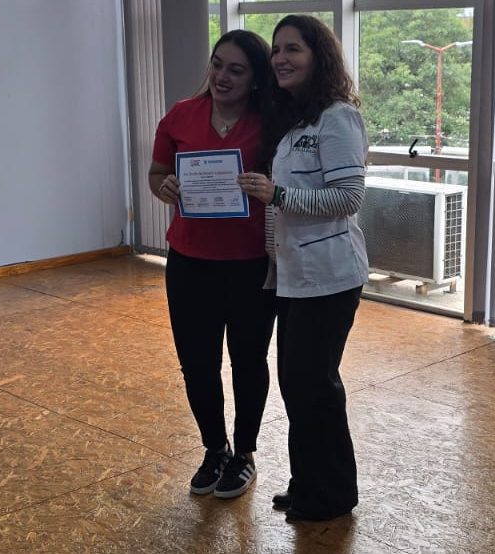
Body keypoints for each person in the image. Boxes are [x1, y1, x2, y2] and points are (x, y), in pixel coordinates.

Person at [238, 15, 368, 522]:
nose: (280, 58)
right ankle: (307, 482)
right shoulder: (293, 119)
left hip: (330, 276)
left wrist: (279, 195)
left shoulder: (338, 117)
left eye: (293, 49)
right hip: (292, 275)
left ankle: (331, 496)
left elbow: (348, 197)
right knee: (297, 385)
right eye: (276, 50)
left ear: (319, 57)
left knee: (315, 385)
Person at [148, 30, 276, 499]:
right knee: (197, 364)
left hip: (251, 264)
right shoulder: (181, 115)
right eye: (217, 64)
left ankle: (244, 454)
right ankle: (214, 447)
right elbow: (158, 173)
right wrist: (164, 188)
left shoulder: (270, 121)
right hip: (190, 262)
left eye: (236, 70)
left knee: (248, 361)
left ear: (255, 78)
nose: (222, 76)